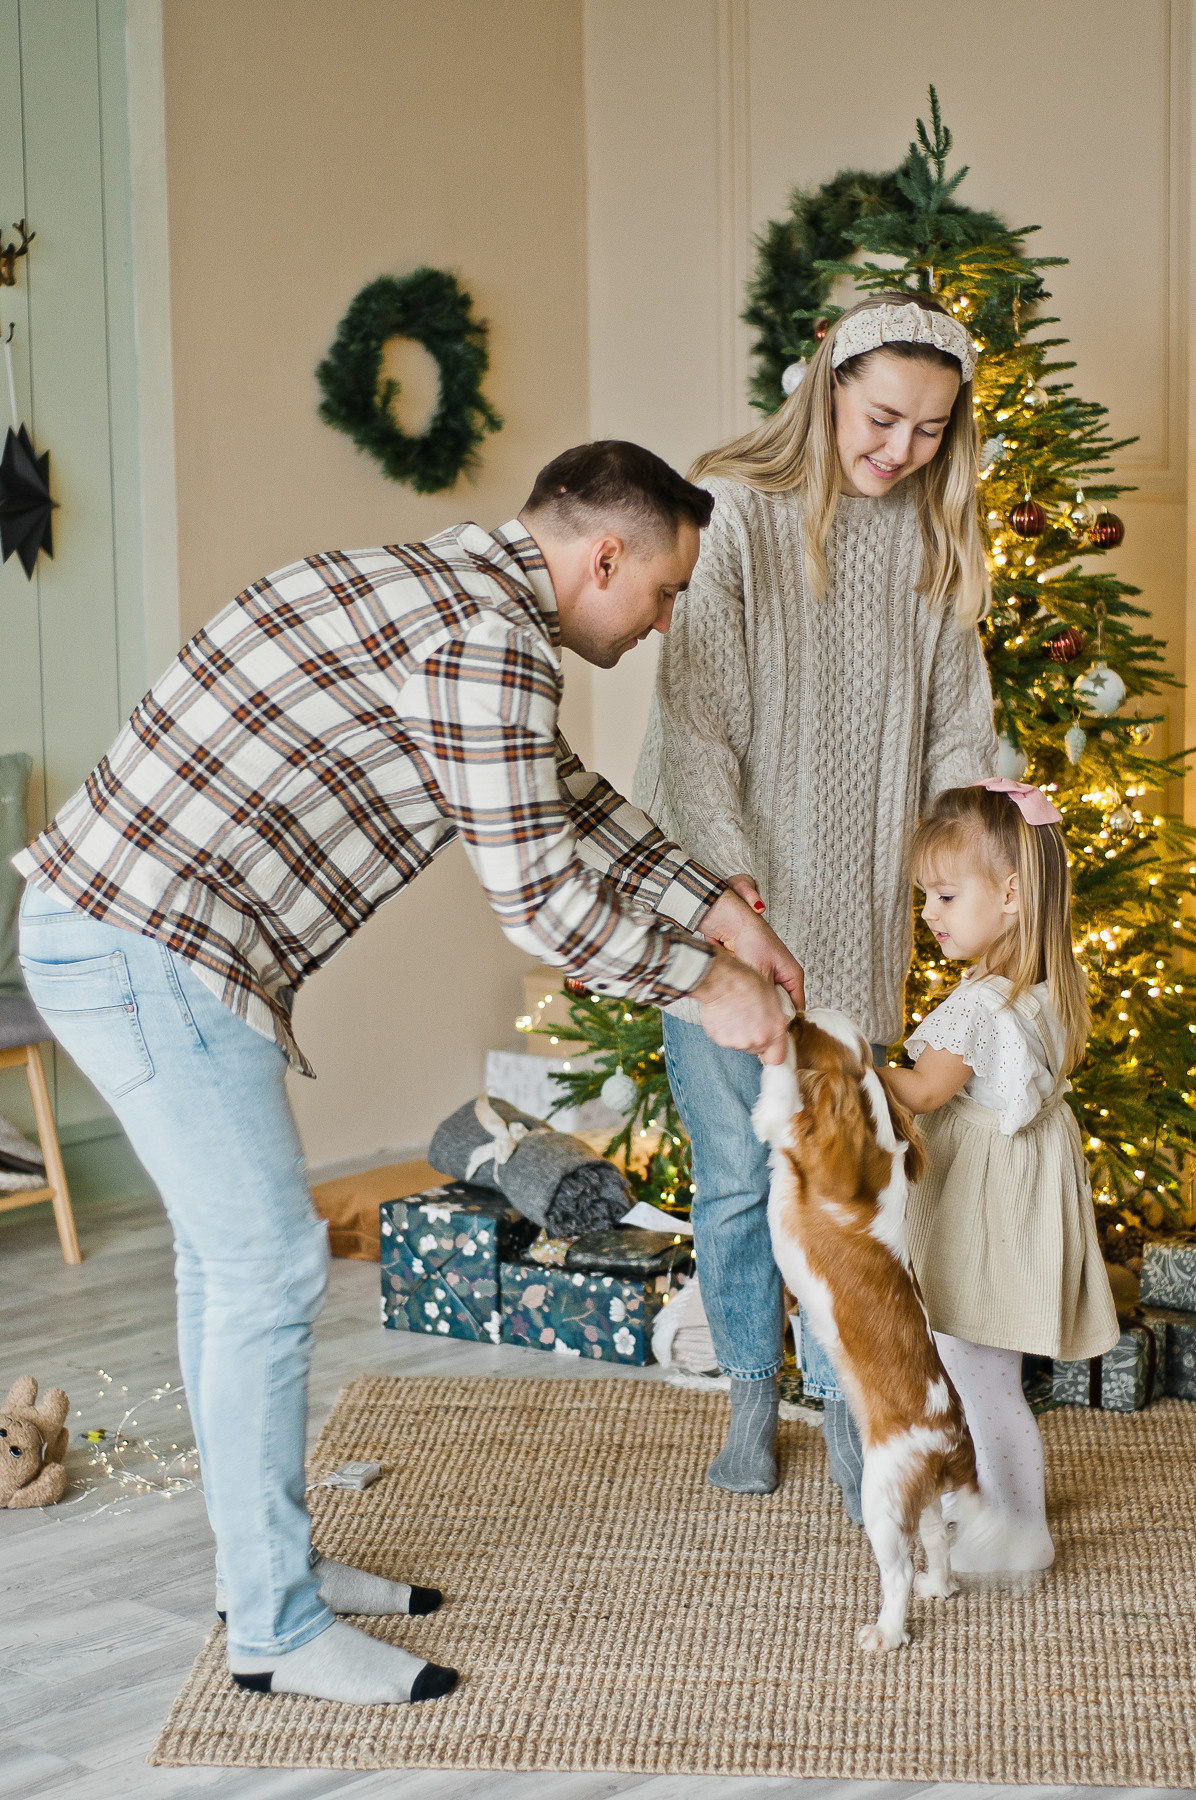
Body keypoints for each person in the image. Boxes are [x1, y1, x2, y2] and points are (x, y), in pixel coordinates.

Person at [14, 440, 803, 1706]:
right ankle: (273, 1625)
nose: (662, 622)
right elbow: (540, 901)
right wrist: (716, 990)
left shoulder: (448, 594)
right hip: (145, 948)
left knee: (232, 1266)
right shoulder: (483, 646)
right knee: (268, 1264)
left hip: (120, 930)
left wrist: (713, 906)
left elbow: (562, 803)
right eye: (660, 593)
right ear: (602, 556)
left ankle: (263, 1574)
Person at [633, 292, 997, 1506]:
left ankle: (846, 1399)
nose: (899, 450)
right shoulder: (731, 512)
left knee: (848, 1185)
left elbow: (958, 729)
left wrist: (964, 871)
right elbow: (696, 729)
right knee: (737, 1181)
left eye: (930, 430)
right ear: (826, 388)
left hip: (857, 925)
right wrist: (731, 900)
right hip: (733, 928)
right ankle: (749, 1388)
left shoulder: (936, 541)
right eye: (881, 417)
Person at [881, 778, 1119, 1569]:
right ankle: (983, 1502)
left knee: (977, 1377)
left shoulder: (979, 1008)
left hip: (980, 1214)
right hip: (1022, 1200)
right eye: (928, 897)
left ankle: (1016, 1529)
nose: (930, 914)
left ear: (1011, 894)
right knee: (988, 1375)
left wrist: (849, 1060)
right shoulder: (1049, 987)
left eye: (946, 896)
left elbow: (919, 1092)